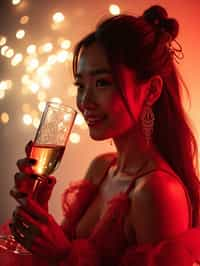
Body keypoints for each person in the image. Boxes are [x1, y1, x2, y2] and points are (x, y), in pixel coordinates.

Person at [8, 4, 200, 266]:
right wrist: (38, 208)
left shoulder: (158, 192)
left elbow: (63, 254)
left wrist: (64, 255)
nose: (85, 100)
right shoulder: (102, 167)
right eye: (80, 85)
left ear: (152, 90)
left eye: (102, 83)